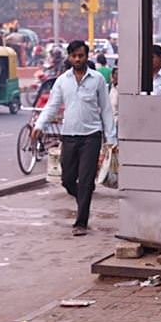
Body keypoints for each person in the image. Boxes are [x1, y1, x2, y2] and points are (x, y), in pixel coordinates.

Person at [31, 40, 117, 236]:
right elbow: (52, 106)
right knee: (67, 179)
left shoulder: (97, 80)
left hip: (91, 137)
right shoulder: (62, 81)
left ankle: (81, 222)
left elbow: (106, 110)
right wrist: (39, 125)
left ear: (87, 56)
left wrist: (111, 139)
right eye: (74, 56)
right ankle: (83, 199)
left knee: (86, 180)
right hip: (69, 135)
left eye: (81, 55)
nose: (78, 59)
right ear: (70, 57)